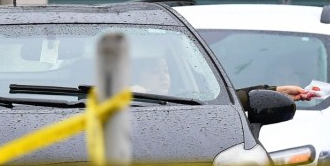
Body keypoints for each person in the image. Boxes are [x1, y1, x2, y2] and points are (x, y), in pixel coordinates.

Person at [131, 56, 311, 107]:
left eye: (166, 71)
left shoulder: (186, 101)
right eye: (155, 72)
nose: (164, 77)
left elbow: (226, 101)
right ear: (136, 76)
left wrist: (276, 91)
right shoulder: (117, 106)